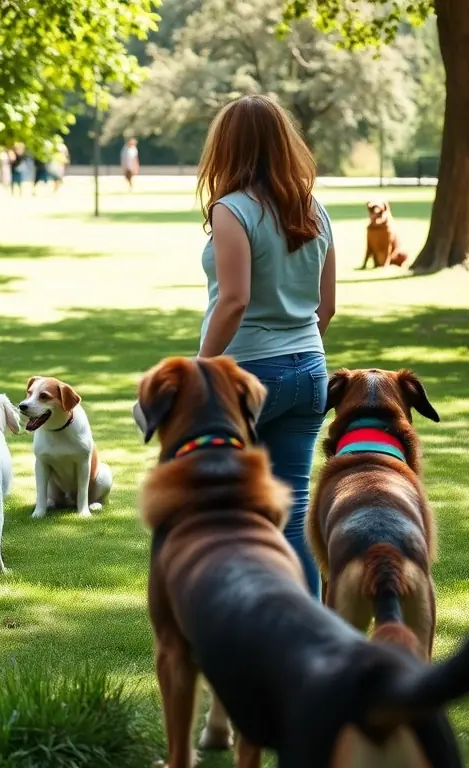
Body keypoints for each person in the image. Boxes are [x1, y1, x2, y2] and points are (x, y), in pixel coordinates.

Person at [195, 94, 337, 600]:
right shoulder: (314, 208)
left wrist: (199, 371)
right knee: (292, 509)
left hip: (248, 375)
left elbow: (233, 302)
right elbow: (327, 308)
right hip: (310, 371)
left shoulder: (232, 209)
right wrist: (297, 347)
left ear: (228, 148)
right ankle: (309, 632)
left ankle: (241, 622)